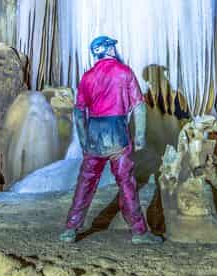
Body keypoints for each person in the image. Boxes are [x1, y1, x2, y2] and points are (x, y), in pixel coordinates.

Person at [59, 35, 163, 245]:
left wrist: (83, 138)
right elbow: (138, 106)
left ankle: (71, 229)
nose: (114, 49)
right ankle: (139, 232)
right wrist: (140, 135)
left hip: (95, 134)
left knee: (85, 182)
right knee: (126, 183)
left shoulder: (87, 77)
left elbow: (79, 112)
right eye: (111, 46)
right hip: (117, 132)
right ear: (106, 50)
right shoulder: (124, 72)